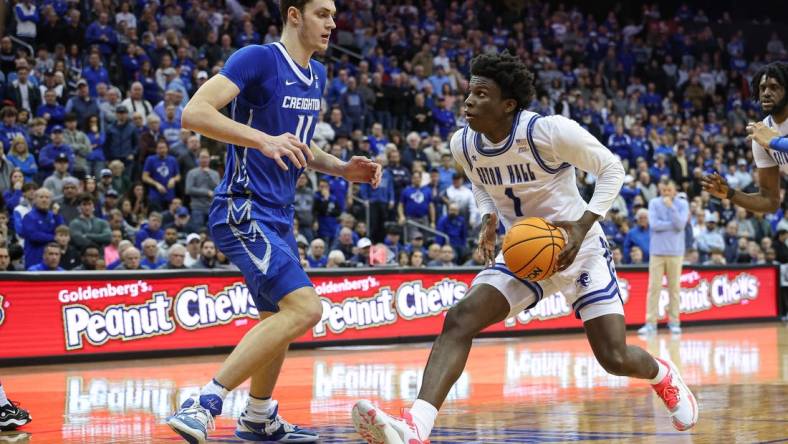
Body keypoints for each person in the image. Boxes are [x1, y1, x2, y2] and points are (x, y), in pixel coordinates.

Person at [351, 51, 697, 444]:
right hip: (524, 251)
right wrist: (488, 216)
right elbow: (481, 182)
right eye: (469, 91)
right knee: (460, 318)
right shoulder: (462, 143)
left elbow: (612, 169)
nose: (469, 101)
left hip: (577, 248)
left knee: (613, 357)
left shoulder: (547, 131)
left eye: (482, 94)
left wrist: (583, 228)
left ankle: (662, 375)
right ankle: (417, 426)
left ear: (508, 105)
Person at [166, 2, 381, 443]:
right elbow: (195, 112)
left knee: (277, 317)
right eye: (322, 13)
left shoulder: (317, 75)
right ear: (294, 15)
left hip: (279, 215)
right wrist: (261, 139)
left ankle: (259, 416)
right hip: (242, 206)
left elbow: (298, 146)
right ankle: (204, 402)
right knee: (306, 308)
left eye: (334, 15)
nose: (333, 24)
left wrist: (341, 168)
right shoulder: (258, 58)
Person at [702, 62, 787, 214]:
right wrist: (730, 194)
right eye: (762, 88)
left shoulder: (766, 138)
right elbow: (770, 201)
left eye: (774, 87)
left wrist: (775, 142)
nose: (766, 93)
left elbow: (774, 141)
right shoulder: (761, 133)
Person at [638, 181, 689, 336]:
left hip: (676, 252)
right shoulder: (653, 203)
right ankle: (650, 324)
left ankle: (674, 322)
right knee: (654, 289)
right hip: (657, 252)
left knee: (674, 289)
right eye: (664, 190)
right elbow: (654, 225)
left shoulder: (682, 204)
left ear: (674, 191)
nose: (666, 192)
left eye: (669, 190)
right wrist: (672, 223)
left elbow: (681, 225)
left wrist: (671, 208)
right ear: (660, 190)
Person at [20, 187, 64, 268]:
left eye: (47, 197)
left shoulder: (54, 215)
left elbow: (61, 232)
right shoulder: (29, 216)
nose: (44, 200)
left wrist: (57, 216)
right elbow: (34, 236)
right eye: (41, 197)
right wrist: (54, 237)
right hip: (34, 259)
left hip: (53, 260)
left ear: (51, 201)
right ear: (35, 199)